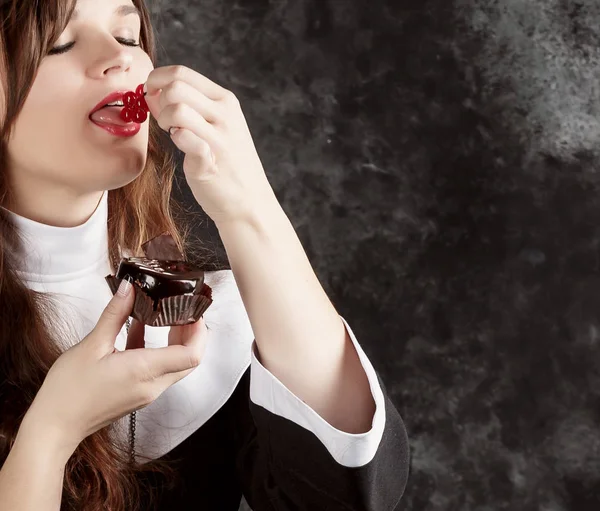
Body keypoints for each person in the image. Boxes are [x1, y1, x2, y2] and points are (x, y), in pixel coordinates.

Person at [0, 0, 410, 510]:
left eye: (128, 37)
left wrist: (249, 206)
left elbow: (349, 498)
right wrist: (51, 432)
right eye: (59, 43)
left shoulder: (209, 310)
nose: (119, 58)